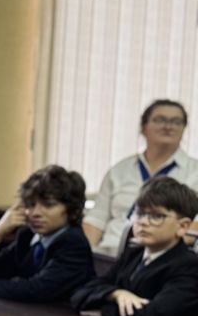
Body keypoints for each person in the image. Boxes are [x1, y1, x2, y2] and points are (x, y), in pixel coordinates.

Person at [71, 177, 198, 316]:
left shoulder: (188, 265)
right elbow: (81, 292)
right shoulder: (134, 254)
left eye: (156, 216)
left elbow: (155, 315)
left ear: (183, 226)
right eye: (139, 213)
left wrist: (104, 311)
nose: (143, 222)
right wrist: (117, 294)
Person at [84, 99, 198, 256]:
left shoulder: (195, 172)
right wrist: (85, 255)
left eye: (176, 121)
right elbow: (96, 220)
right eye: (160, 120)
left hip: (159, 259)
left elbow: (193, 229)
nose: (168, 126)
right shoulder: (120, 170)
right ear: (144, 127)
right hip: (109, 253)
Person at [0, 165, 94, 302]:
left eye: (48, 205)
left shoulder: (73, 242)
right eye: (30, 204)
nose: (35, 213)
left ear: (72, 210)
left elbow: (39, 289)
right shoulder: (27, 235)